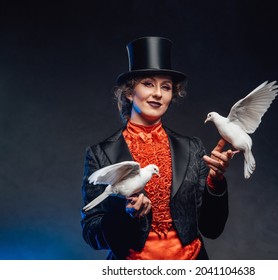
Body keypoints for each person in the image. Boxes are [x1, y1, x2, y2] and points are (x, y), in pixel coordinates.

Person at [80, 36, 235, 260]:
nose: (158, 94)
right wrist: (128, 216)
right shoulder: (100, 154)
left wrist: (215, 181)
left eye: (166, 87)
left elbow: (212, 228)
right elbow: (91, 232)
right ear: (129, 92)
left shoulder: (192, 148)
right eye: (148, 84)